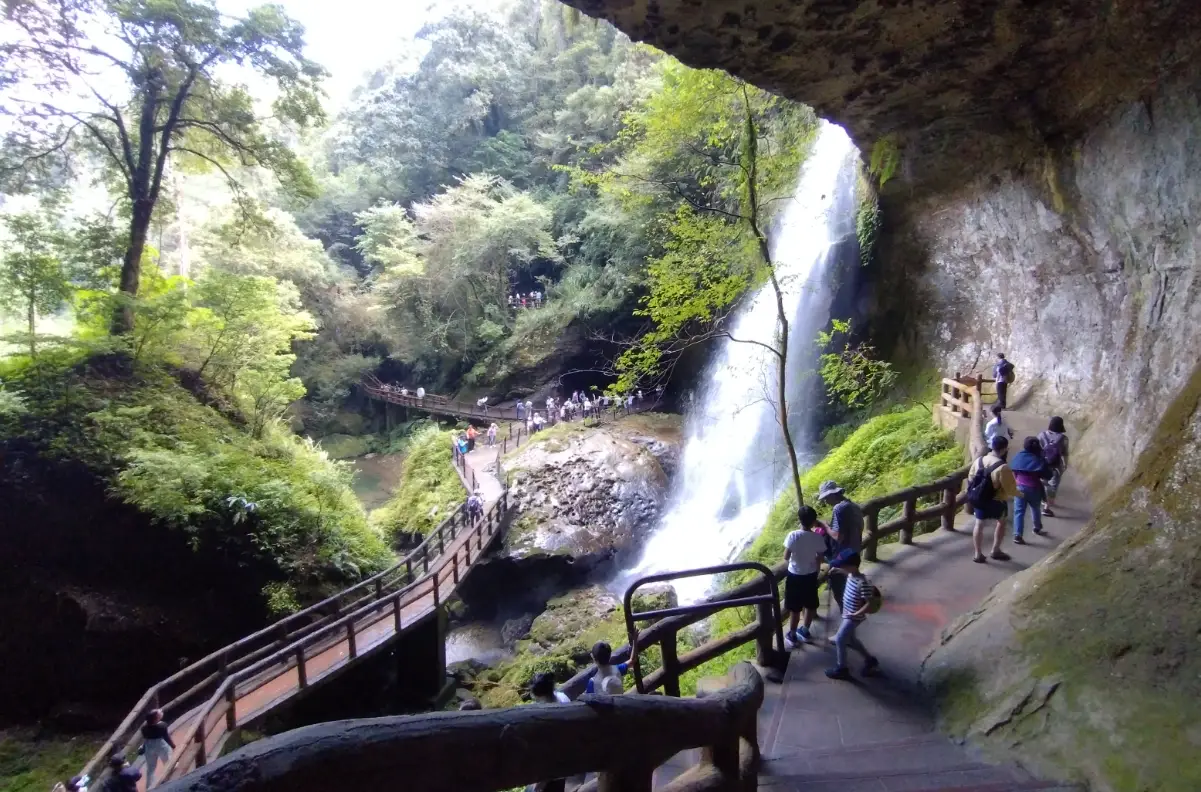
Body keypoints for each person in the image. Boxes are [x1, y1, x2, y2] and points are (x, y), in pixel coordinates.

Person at [824, 555, 880, 680]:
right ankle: (870, 660)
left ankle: (842, 668)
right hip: (848, 613)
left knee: (840, 639)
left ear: (852, 567)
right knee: (852, 640)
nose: (840, 567)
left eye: (842, 566)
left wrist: (856, 614)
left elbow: (869, 602)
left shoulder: (862, 583)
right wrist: (837, 570)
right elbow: (845, 573)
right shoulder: (851, 575)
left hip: (853, 617)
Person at [967, 435, 1018, 563]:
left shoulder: (979, 461)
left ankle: (978, 554)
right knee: (1001, 522)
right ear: (1004, 449)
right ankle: (995, 550)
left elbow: (971, 478)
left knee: (979, 524)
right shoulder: (1003, 467)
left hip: (979, 498)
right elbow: (1008, 487)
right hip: (997, 500)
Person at [783, 505, 828, 644]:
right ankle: (805, 630)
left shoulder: (793, 535)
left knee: (795, 608)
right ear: (814, 521)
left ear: (799, 519)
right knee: (810, 604)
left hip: (795, 575)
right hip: (810, 575)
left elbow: (786, 556)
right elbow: (820, 557)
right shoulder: (818, 538)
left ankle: (792, 634)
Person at [817, 480, 863, 611]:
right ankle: (857, 606)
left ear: (832, 495)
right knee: (851, 581)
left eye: (826, 498)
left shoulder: (839, 508)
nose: (825, 501)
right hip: (855, 549)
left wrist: (825, 526)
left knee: (838, 584)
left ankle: (847, 613)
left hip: (843, 555)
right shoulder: (853, 505)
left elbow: (838, 536)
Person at [1009, 436, 1053, 543]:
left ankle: (1017, 535)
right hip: (1034, 488)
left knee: (1019, 512)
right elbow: (1048, 475)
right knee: (1035, 508)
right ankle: (1037, 528)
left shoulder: (1019, 456)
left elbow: (1013, 470)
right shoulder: (1039, 458)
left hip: (1019, 488)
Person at [1038, 416, 1070, 517]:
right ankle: (1047, 507)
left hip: (1042, 464)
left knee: (1043, 482)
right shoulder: (1064, 439)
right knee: (1053, 486)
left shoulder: (1041, 435)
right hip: (1056, 466)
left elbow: (1037, 451)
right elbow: (1065, 453)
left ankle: (1044, 500)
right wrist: (1065, 464)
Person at [140, 708, 176, 789]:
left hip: (149, 746)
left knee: (150, 768)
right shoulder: (162, 725)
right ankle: (169, 780)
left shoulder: (144, 728)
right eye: (159, 713)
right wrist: (173, 745)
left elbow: (145, 738)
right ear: (156, 718)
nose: (161, 712)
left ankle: (149, 787)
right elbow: (166, 737)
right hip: (161, 745)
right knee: (167, 762)